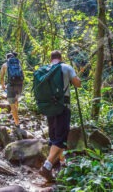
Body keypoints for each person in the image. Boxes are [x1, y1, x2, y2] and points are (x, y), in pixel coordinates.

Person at [39, 50, 81, 182]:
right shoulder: (66, 67)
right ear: (61, 58)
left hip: (49, 108)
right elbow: (77, 84)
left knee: (54, 136)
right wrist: (77, 75)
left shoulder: (46, 69)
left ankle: (61, 163)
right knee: (61, 138)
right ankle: (47, 166)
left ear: (51, 59)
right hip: (63, 107)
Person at [0, 52, 24, 128]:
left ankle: (17, 123)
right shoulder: (18, 63)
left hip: (11, 86)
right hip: (19, 85)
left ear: (7, 58)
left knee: (12, 104)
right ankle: (16, 115)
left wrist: (3, 85)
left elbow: (1, 77)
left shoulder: (5, 65)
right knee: (16, 100)